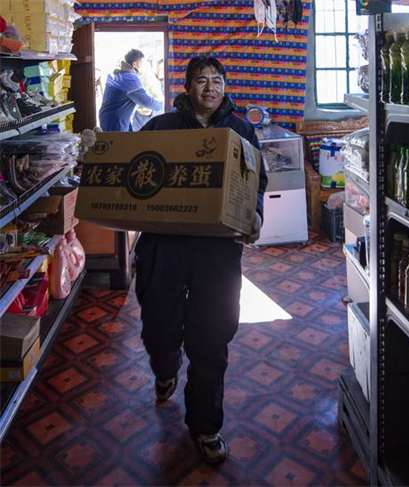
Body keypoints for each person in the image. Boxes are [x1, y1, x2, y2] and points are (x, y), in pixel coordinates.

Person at [135, 56, 268, 464]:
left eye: (217, 81)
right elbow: (129, 164)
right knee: (158, 324)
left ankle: (206, 425)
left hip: (216, 249)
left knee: (211, 336)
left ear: (225, 86)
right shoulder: (161, 127)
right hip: (165, 244)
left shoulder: (241, 131)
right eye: (201, 81)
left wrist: (255, 213)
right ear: (187, 87)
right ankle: (165, 366)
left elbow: (256, 180)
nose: (210, 88)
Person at [98, 49, 164, 132]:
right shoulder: (129, 78)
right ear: (134, 64)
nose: (143, 66)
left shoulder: (120, 74)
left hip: (112, 117)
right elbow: (146, 101)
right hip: (115, 120)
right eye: (142, 63)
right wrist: (164, 106)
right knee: (118, 143)